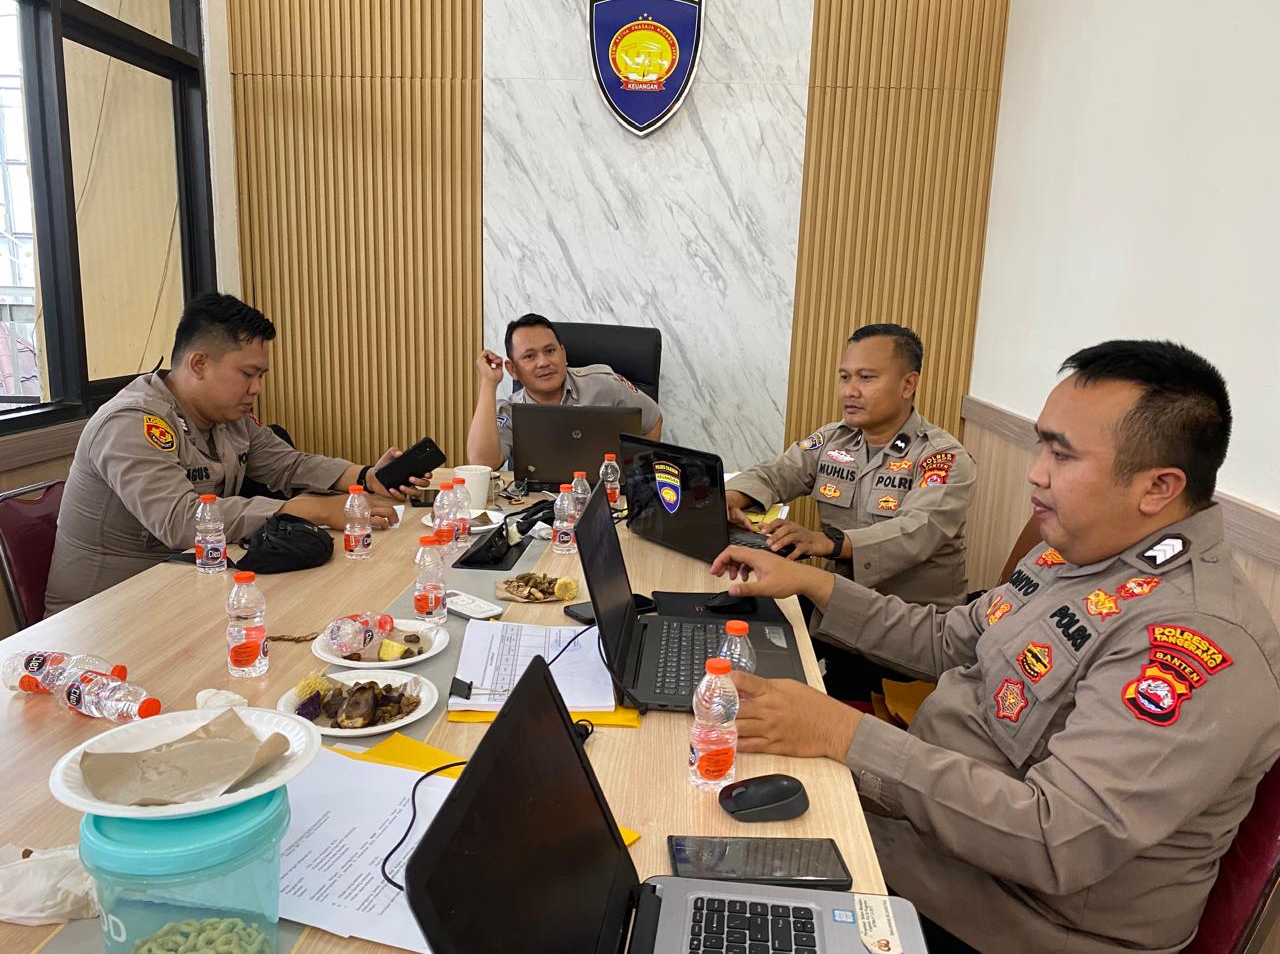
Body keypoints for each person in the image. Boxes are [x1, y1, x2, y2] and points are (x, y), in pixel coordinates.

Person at [710, 340, 1280, 953]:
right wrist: (812, 583)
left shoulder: (1195, 640)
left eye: (1061, 453)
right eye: (1041, 446)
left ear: (1158, 487)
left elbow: (1056, 839)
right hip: (932, 835)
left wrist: (843, 736)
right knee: (704, 825)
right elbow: (947, 639)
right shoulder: (1074, 554)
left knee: (723, 902)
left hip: (1011, 920)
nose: (1036, 472)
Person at [45, 293, 428, 614]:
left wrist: (365, 477)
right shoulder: (130, 423)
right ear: (199, 364)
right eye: (248, 374)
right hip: (107, 611)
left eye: (261, 376)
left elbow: (288, 464)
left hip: (188, 588)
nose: (257, 388)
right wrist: (308, 509)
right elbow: (181, 521)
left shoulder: (226, 416)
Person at [725, 324, 975, 609]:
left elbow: (914, 532)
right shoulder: (834, 439)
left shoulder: (942, 457)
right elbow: (773, 475)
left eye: (866, 378)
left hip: (912, 619)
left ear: (908, 385)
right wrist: (730, 500)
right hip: (838, 606)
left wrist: (828, 541)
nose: (849, 391)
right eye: (845, 377)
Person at [465, 313, 663, 469]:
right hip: (536, 505)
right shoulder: (510, 410)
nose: (543, 362)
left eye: (550, 351)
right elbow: (482, 464)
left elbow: (652, 420)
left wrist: (635, 475)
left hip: (604, 498)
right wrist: (489, 383)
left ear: (563, 353)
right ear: (512, 369)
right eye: (529, 356)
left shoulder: (603, 385)